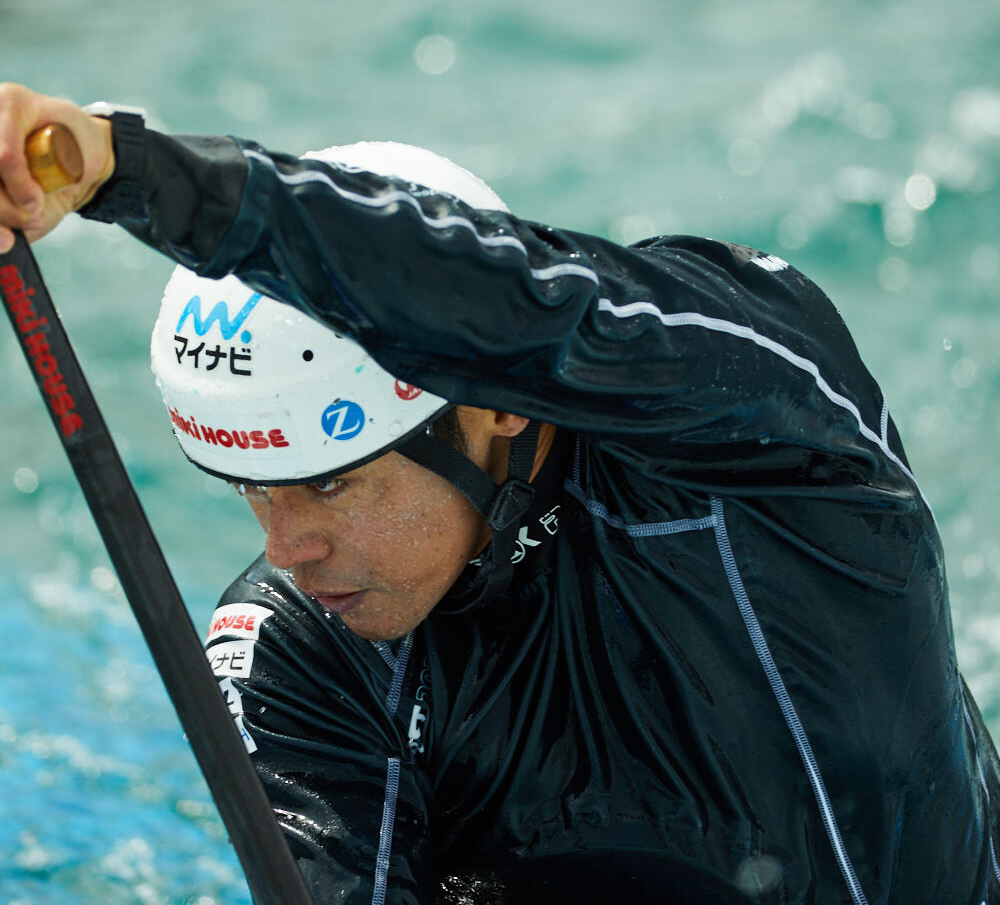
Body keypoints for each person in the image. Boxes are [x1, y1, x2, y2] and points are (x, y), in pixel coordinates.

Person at [0, 82, 998, 905]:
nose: (290, 550)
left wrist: (132, 174)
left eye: (330, 483)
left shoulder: (770, 456)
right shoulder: (304, 651)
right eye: (253, 494)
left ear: (494, 404)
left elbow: (517, 302)